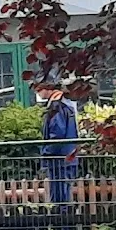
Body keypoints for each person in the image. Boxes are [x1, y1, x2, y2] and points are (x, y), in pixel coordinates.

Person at [36, 81, 79, 212]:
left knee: (60, 196)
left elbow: (57, 134)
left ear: (48, 89)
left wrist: (46, 152)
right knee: (64, 192)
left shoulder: (56, 107)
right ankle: (65, 227)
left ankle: (62, 227)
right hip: (68, 155)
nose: (37, 92)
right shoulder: (66, 104)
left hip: (59, 158)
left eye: (39, 89)